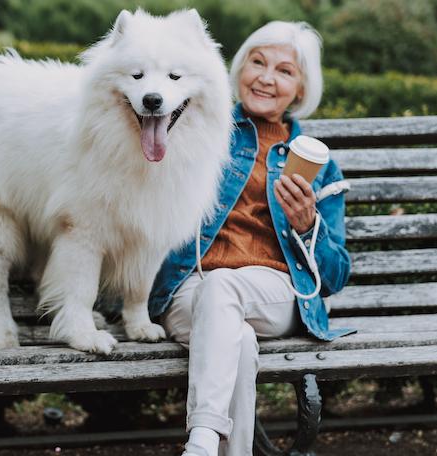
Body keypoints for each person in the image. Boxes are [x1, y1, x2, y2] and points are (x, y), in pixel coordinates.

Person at [147, 21, 356, 456]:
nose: (265, 77)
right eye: (256, 63)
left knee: (224, 287)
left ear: (299, 89)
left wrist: (306, 225)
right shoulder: (201, 127)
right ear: (238, 70)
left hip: (275, 292)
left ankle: (201, 442)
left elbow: (335, 275)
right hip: (188, 289)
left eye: (284, 70)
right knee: (237, 342)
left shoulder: (318, 165)